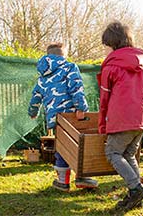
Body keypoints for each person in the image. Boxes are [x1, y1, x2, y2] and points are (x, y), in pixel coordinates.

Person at [98, 21, 143, 210]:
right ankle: (135, 195)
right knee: (129, 154)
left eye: (107, 46)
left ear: (112, 44)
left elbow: (104, 98)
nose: (106, 51)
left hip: (122, 118)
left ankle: (136, 188)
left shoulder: (111, 66)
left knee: (113, 153)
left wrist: (102, 126)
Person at [28, 42, 98, 192]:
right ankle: (81, 176)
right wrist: (81, 108)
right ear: (64, 56)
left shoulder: (42, 77)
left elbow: (36, 97)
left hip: (55, 119)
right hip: (72, 115)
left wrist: (33, 112)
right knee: (79, 144)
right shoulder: (70, 67)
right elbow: (76, 87)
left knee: (62, 147)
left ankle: (62, 181)